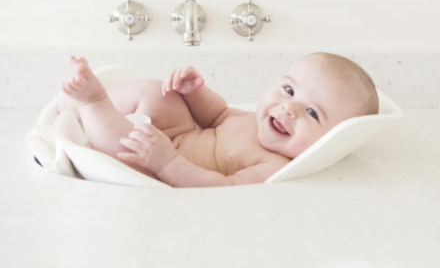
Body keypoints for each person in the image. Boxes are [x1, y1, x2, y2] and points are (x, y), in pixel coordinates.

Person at [57, 52, 379, 187]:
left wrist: (166, 163)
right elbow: (218, 117)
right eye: (289, 89)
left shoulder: (273, 165)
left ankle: (92, 102)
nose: (288, 109)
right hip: (178, 134)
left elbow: (223, 187)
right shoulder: (256, 119)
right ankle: (76, 107)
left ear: (332, 142)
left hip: (162, 164)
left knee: (128, 145)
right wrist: (195, 92)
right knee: (161, 95)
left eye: (312, 113)